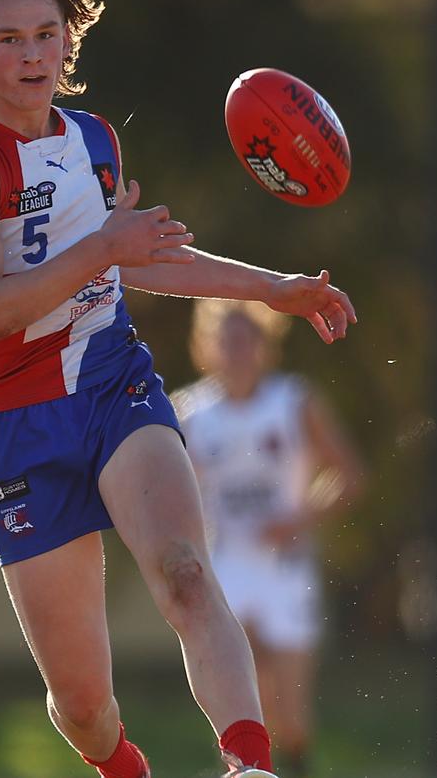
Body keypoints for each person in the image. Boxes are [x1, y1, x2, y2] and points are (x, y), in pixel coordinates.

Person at [0, 0, 357, 778]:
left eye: (46, 35)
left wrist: (276, 288)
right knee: (83, 708)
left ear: (69, 39)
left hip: (114, 380)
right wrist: (101, 250)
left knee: (187, 572)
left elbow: (145, 254)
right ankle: (123, 768)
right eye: (9, 39)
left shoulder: (94, 140)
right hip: (17, 424)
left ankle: (250, 766)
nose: (31, 55)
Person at [175, 300, 364, 778]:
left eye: (248, 339)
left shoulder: (294, 402)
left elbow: (349, 476)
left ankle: (296, 764)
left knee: (291, 714)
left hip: (285, 569)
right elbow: (169, 495)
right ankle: (247, 771)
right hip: (227, 569)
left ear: (266, 344)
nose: (238, 350)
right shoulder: (192, 414)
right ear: (208, 347)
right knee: (244, 703)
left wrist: (297, 519)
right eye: (228, 340)